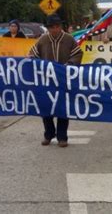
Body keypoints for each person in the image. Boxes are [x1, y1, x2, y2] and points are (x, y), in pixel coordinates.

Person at [29, 14, 83, 147]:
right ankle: (49, 133)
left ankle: (62, 137)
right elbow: (33, 55)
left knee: (63, 108)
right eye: (52, 27)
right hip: (46, 80)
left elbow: (78, 53)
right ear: (48, 28)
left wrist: (69, 65)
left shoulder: (69, 39)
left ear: (61, 26)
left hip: (64, 80)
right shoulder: (43, 40)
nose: (55, 29)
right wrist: (33, 61)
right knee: (45, 107)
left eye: (57, 26)